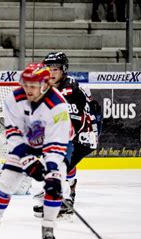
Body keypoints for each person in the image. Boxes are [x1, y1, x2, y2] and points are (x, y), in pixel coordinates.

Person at [0, 63, 71, 239]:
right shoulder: (14, 99)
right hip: (25, 145)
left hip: (51, 147)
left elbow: (57, 142)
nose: (28, 89)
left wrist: (51, 170)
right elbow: (13, 133)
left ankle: (48, 226)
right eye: (26, 84)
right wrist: (28, 160)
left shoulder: (58, 105)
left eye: (33, 85)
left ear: (45, 84)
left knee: (55, 185)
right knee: (5, 184)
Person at [33, 52, 102, 218]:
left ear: (63, 70)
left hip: (82, 136)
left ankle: (64, 200)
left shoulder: (70, 90)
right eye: (48, 68)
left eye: (55, 69)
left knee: (59, 165)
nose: (50, 71)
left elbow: (74, 120)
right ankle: (61, 195)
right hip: (73, 133)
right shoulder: (50, 87)